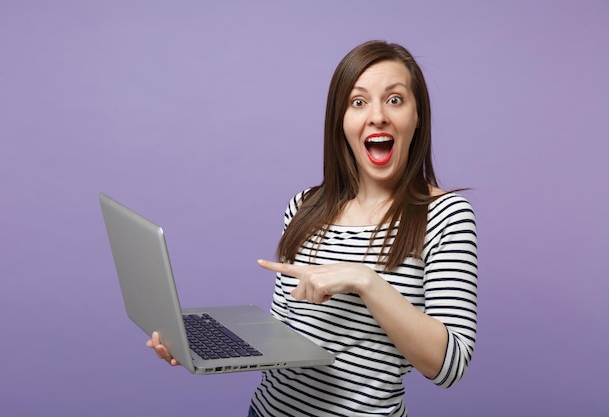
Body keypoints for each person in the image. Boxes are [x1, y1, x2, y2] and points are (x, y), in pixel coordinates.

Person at [147, 40, 478, 417]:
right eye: (358, 102)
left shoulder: (445, 216)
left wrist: (364, 281)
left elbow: (449, 365)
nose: (377, 117)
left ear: (418, 117)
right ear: (340, 120)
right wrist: (200, 344)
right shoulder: (305, 206)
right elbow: (285, 332)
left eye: (395, 100)